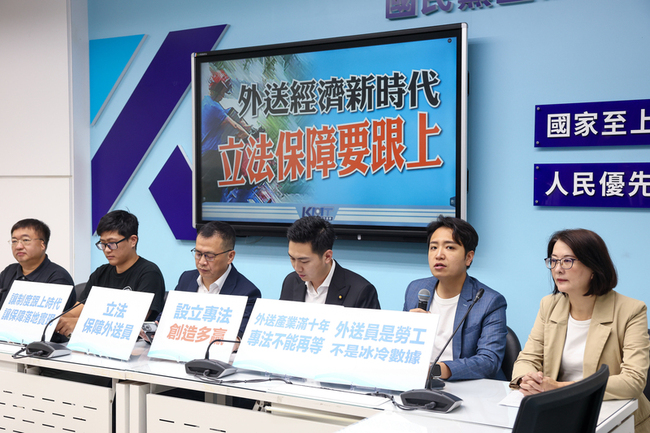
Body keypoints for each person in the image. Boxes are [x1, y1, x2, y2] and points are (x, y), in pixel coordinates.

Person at [511, 229, 650, 432]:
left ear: (594, 266)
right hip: (558, 412)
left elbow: (633, 381)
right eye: (553, 261)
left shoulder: (631, 310)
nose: (558, 269)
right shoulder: (549, 305)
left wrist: (558, 388)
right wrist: (528, 379)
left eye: (568, 261)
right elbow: (527, 358)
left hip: (617, 418)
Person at [403, 216, 507, 381]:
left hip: (467, 385)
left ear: (469, 257)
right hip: (418, 381)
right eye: (433, 247)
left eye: (449, 247)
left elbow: (489, 361)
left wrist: (436, 370)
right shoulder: (416, 290)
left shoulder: (489, 301)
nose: (439, 255)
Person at [55, 210, 166, 336]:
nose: (107, 250)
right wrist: (58, 319)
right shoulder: (101, 273)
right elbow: (76, 311)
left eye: (112, 243)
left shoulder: (149, 273)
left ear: (133, 240)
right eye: (103, 244)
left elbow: (133, 321)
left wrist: (80, 323)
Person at [170, 221, 261, 337]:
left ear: (230, 256)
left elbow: (240, 336)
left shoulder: (247, 293)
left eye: (209, 256)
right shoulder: (186, 279)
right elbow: (166, 316)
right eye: (198, 254)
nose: (202, 262)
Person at [0, 219, 76, 342]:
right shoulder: (9, 271)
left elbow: (49, 322)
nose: (18, 246)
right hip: (7, 340)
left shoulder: (58, 276)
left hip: (45, 345)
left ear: (42, 245)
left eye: (25, 240)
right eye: (14, 241)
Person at [280, 216, 380, 309]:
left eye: (304, 261)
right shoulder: (291, 281)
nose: (297, 268)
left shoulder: (361, 291)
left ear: (327, 256)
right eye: (292, 258)